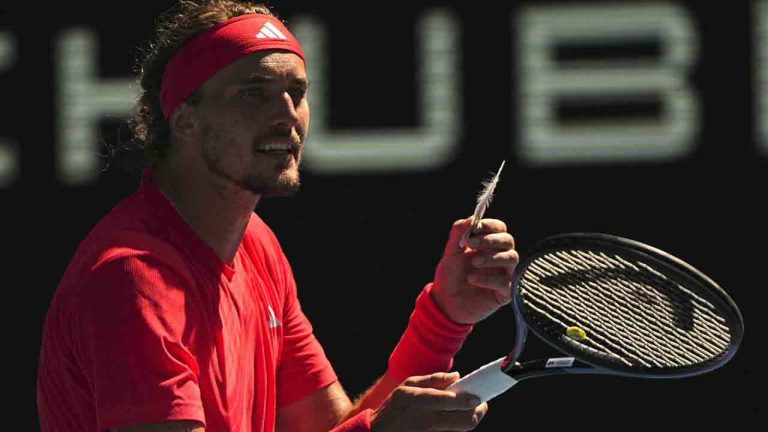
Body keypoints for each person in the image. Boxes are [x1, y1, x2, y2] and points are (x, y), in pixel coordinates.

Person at [36, 1, 519, 431]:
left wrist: (444, 317)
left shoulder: (255, 246)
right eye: (254, 92)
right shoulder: (133, 280)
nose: (287, 114)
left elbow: (334, 427)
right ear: (184, 117)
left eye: (297, 92)